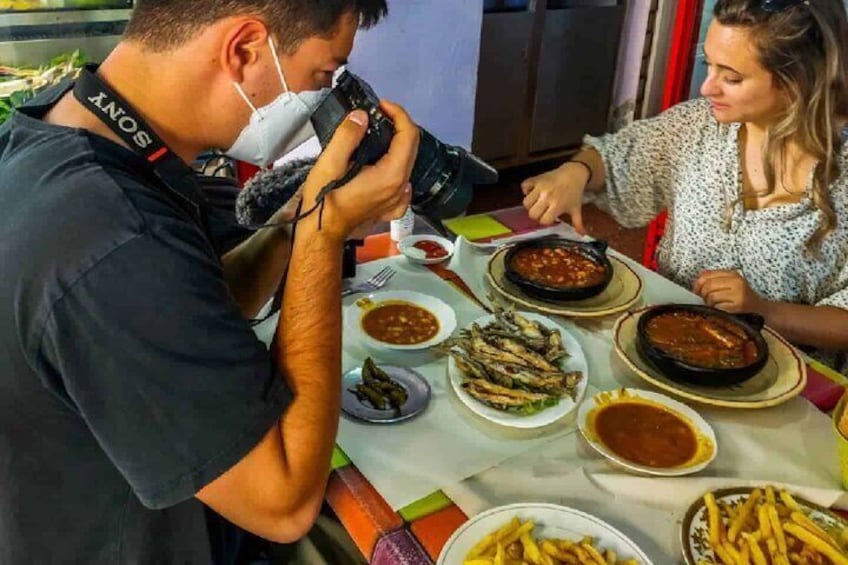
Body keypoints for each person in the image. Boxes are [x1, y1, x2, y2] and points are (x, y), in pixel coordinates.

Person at [0, 0, 419, 563]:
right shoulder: (116, 240)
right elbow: (285, 504)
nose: (323, 98)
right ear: (244, 49)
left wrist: (291, 225)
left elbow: (192, 304)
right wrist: (325, 233)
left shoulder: (60, 131)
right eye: (323, 75)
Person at [521, 0, 848, 373]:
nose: (708, 87)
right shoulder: (697, 128)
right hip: (660, 349)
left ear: (797, 82)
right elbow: (614, 158)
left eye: (732, 77)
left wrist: (766, 311)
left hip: (780, 382)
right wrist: (575, 171)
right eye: (708, 65)